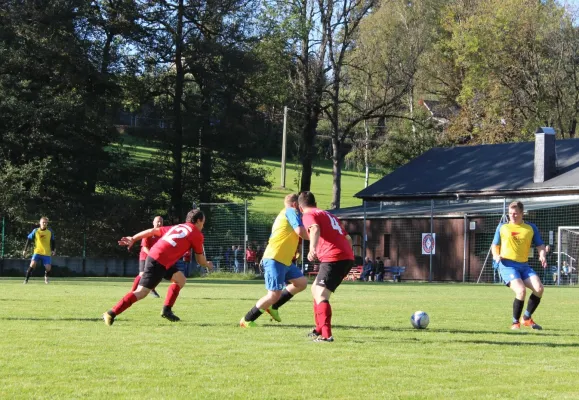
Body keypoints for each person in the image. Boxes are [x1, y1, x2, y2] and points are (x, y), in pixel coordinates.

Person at [102, 209, 213, 326]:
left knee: (180, 279)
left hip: (161, 258)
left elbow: (152, 231)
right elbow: (200, 260)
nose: (203, 225)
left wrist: (133, 238)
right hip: (159, 260)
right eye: (203, 222)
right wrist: (207, 264)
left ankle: (167, 310)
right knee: (141, 292)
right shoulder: (196, 234)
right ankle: (111, 312)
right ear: (199, 221)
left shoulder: (178, 226)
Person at [239, 193, 309, 328]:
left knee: (301, 283)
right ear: (295, 205)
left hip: (284, 260)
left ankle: (273, 307)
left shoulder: (283, 215)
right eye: (300, 206)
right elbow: (300, 230)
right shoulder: (291, 211)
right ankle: (247, 320)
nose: (301, 209)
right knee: (273, 294)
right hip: (275, 258)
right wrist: (318, 237)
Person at [299, 191, 354, 342]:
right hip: (345, 256)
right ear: (316, 204)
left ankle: (326, 335)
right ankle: (319, 329)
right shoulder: (329, 215)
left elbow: (315, 228)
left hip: (334, 257)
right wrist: (347, 255)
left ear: (300, 207)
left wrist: (312, 248)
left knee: (322, 294)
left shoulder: (308, 214)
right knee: (315, 289)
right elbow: (347, 238)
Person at [492, 201, 546, 330]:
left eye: (515, 213)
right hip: (507, 265)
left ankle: (526, 318)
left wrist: (542, 255)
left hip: (524, 266)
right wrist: (496, 255)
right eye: (510, 213)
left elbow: (540, 245)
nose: (512, 216)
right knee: (521, 290)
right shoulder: (502, 227)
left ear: (522, 213)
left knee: (539, 289)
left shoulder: (530, 228)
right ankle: (515, 323)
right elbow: (495, 245)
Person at [130, 216, 163, 298]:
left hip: (156, 257)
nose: (159, 223)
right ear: (153, 223)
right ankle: (132, 292)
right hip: (145, 256)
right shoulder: (149, 233)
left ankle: (152, 289)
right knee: (142, 274)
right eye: (157, 222)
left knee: (158, 274)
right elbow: (144, 247)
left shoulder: (163, 234)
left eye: (161, 222)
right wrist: (152, 255)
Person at [22, 216, 56, 284]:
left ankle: (46, 277)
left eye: (46, 223)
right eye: (43, 222)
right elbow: (29, 239)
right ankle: (26, 280)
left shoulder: (50, 232)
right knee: (32, 264)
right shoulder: (35, 231)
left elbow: (53, 241)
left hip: (46, 252)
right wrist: (25, 250)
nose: (45, 224)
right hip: (37, 252)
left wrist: (53, 250)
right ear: (40, 223)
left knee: (48, 268)